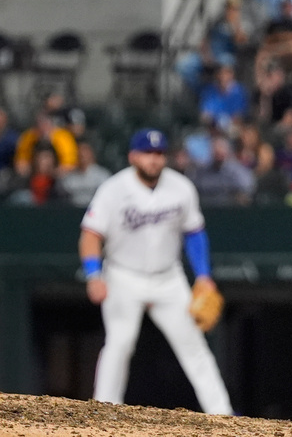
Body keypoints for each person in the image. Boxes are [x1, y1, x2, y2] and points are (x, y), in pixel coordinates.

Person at [79, 128, 234, 415]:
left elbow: (195, 232)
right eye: (148, 153)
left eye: (159, 154)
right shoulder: (113, 189)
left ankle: (222, 414)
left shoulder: (181, 187)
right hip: (123, 276)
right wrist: (93, 274)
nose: (154, 160)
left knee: (194, 347)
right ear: (133, 156)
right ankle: (103, 412)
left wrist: (203, 275)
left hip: (168, 278)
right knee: (120, 343)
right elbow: (90, 234)